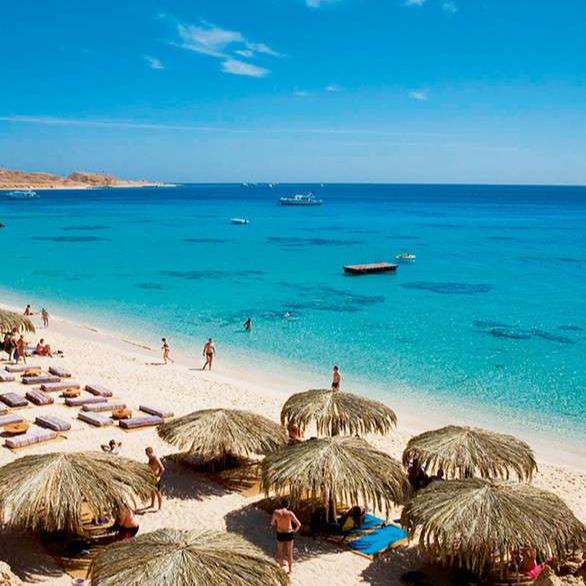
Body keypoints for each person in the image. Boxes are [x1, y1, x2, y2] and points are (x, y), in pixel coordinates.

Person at [271, 499, 301, 574]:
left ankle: (281, 570)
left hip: (280, 533)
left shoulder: (276, 512)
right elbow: (299, 524)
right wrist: (295, 530)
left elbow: (272, 523)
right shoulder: (290, 513)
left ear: (281, 504)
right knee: (290, 552)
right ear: (288, 505)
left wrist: (277, 523)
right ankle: (290, 570)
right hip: (289, 533)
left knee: (280, 552)